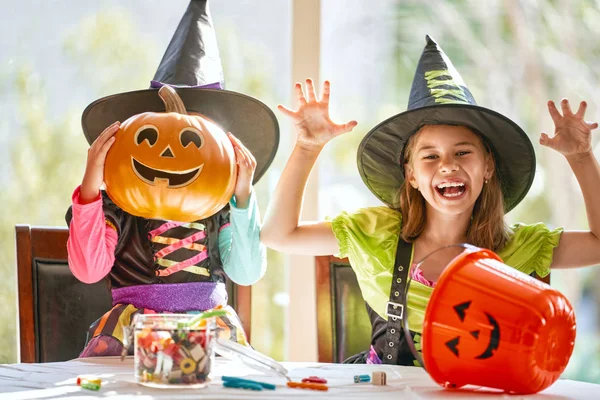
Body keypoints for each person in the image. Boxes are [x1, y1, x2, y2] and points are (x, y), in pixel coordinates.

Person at [261, 35, 600, 365]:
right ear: (410, 175)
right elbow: (278, 235)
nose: (448, 165)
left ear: (487, 167)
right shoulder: (376, 233)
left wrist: (582, 158)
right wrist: (307, 148)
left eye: (462, 152)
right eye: (430, 156)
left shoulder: (519, 246)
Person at [66, 0, 279, 357]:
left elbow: (246, 271)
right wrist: (91, 187)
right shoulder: (118, 209)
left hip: (209, 329)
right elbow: (89, 270)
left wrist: (242, 198)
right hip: (135, 330)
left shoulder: (221, 210)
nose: (171, 153)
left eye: (193, 141)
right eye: (152, 137)